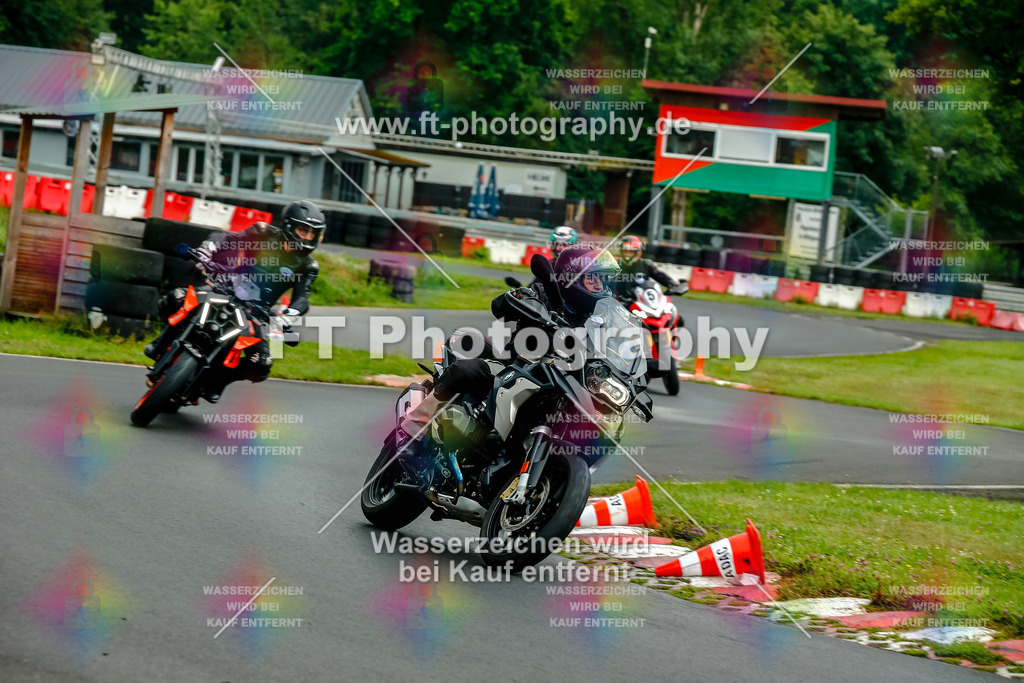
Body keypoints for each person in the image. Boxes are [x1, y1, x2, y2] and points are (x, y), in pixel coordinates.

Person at [402, 246, 620, 433]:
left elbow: (609, 356)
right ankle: (414, 427)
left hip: (556, 391)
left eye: (602, 279)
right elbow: (500, 306)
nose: (600, 285)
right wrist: (520, 301)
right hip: (515, 369)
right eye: (593, 278)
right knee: (467, 370)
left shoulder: (597, 322)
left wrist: (640, 367)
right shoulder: (544, 294)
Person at [144, 200, 325, 402]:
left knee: (262, 364)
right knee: (176, 297)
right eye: (303, 230)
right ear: (289, 225)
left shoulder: (309, 266)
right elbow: (228, 239)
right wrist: (208, 251)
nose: (308, 237)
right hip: (225, 288)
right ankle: (159, 346)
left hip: (256, 313)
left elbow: (302, 298)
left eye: (313, 233)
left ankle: (217, 382)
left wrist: (288, 316)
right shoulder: (263, 232)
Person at [615, 235, 684, 298]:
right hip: (618, 302)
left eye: (631, 252)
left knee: (668, 307)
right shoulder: (614, 264)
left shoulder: (645, 264)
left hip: (640, 302)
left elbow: (660, 276)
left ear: (638, 252)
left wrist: (672, 285)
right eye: (625, 251)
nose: (627, 254)